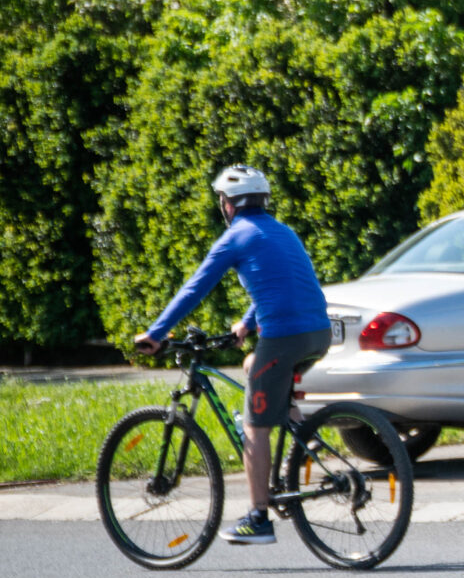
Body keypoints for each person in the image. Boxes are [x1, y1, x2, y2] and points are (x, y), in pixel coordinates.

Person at [133, 166, 330, 547]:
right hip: (318, 334)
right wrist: (247, 322)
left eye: (221, 201)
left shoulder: (235, 237)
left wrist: (156, 334)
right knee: (251, 366)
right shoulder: (283, 231)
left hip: (285, 336)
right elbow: (283, 283)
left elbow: (195, 288)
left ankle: (258, 518)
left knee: (255, 426)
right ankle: (301, 435)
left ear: (229, 204)